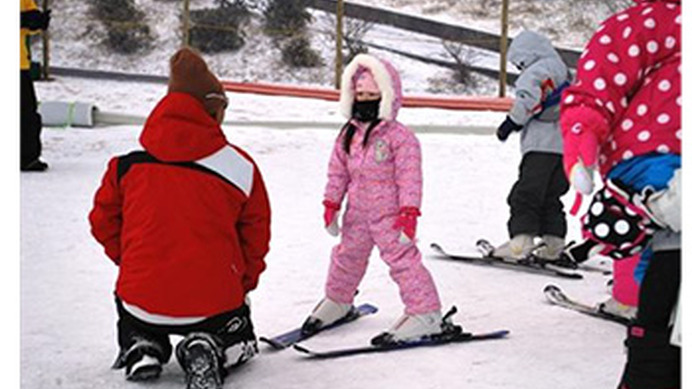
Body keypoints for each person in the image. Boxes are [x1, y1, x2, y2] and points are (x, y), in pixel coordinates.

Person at [88, 47, 271, 389]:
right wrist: (243, 282)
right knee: (241, 337)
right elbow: (256, 236)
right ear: (213, 110)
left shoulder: (126, 165)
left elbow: (102, 222)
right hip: (214, 303)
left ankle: (141, 344)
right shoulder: (239, 168)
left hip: (140, 298)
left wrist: (128, 260)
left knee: (134, 308)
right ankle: (212, 347)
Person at [559, 0, 681, 387]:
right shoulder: (651, 20)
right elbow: (598, 84)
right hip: (656, 158)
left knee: (666, 264)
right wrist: (583, 138)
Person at [301, 53, 446, 345]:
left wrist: (409, 212)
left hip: (390, 215)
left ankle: (426, 312)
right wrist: (331, 204)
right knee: (346, 257)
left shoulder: (400, 137)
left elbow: (410, 177)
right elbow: (337, 172)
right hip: (357, 212)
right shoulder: (348, 135)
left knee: (402, 261)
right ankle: (339, 299)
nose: (364, 100)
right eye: (360, 94)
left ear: (387, 97)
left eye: (372, 95)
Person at [492, 30, 571, 261]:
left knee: (526, 194)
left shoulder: (536, 71)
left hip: (540, 145)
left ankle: (521, 242)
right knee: (552, 196)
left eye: (519, 64)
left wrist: (510, 123)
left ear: (527, 56)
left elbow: (528, 98)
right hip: (565, 147)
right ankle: (554, 243)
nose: (520, 69)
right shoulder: (565, 72)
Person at [20, 0, 51, 172]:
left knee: (27, 114)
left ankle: (27, 157)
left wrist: (38, 22)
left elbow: (29, 22)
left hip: (19, 63)